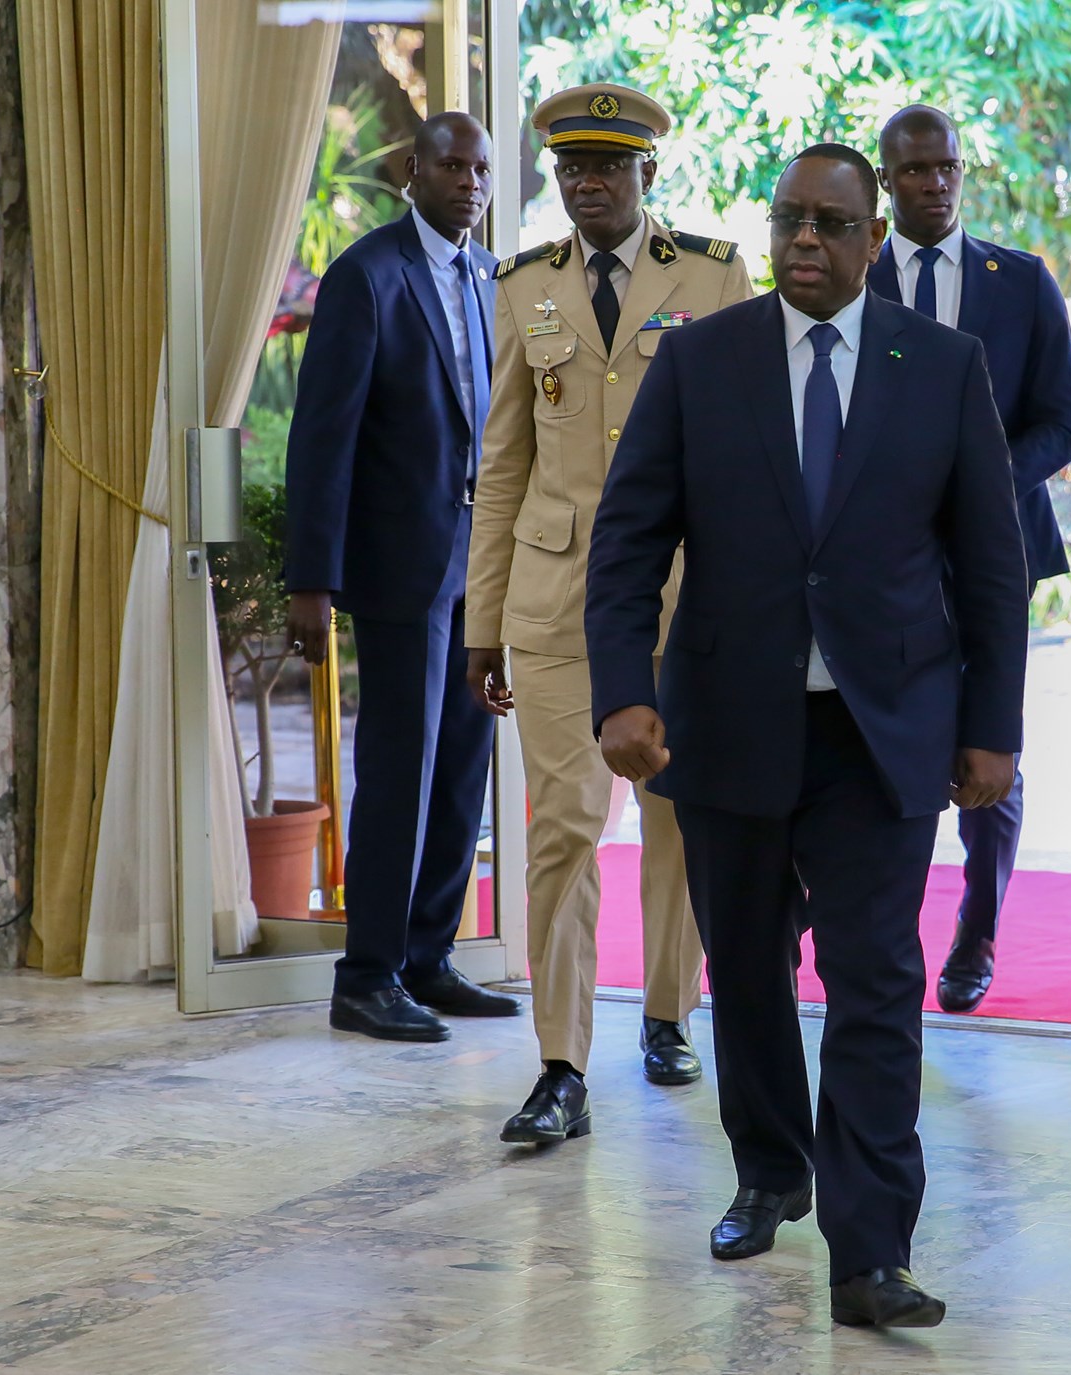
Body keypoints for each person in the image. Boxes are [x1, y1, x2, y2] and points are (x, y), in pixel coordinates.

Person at [585, 143, 1029, 1328]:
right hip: (727, 723)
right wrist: (621, 692)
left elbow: (992, 566)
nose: (803, 241)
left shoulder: (941, 365)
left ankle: (869, 1250)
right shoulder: (702, 362)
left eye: (832, 223)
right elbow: (628, 540)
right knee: (746, 968)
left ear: (872, 239)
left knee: (876, 979)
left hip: (882, 733)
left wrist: (991, 729)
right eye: (788, 218)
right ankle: (770, 1166)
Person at [463, 84, 751, 1143]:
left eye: (607, 167)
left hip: (677, 598)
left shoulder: (713, 276)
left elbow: (745, 455)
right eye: (570, 168)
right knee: (562, 831)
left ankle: (669, 1014)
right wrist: (478, 617)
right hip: (554, 600)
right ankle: (559, 1065)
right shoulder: (523, 287)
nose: (586, 184)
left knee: (674, 820)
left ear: (647, 175)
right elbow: (502, 465)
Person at [284, 112, 520, 1042]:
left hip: (481, 568)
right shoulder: (366, 276)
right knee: (400, 771)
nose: (469, 180)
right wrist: (313, 577)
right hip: (397, 571)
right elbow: (323, 436)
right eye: (452, 164)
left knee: (464, 769)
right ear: (411, 170)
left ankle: (428, 955)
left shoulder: (494, 280)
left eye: (482, 168)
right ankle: (367, 972)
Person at [871, 104, 1071, 1015]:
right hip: (880, 563)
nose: (934, 182)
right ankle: (872, 931)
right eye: (914, 170)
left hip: (997, 560)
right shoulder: (850, 275)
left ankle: (978, 926)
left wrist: (983, 486)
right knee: (885, 745)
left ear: (965, 172)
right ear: (887, 180)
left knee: (990, 749)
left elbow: (1060, 426)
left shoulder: (1022, 282)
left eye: (947, 167)